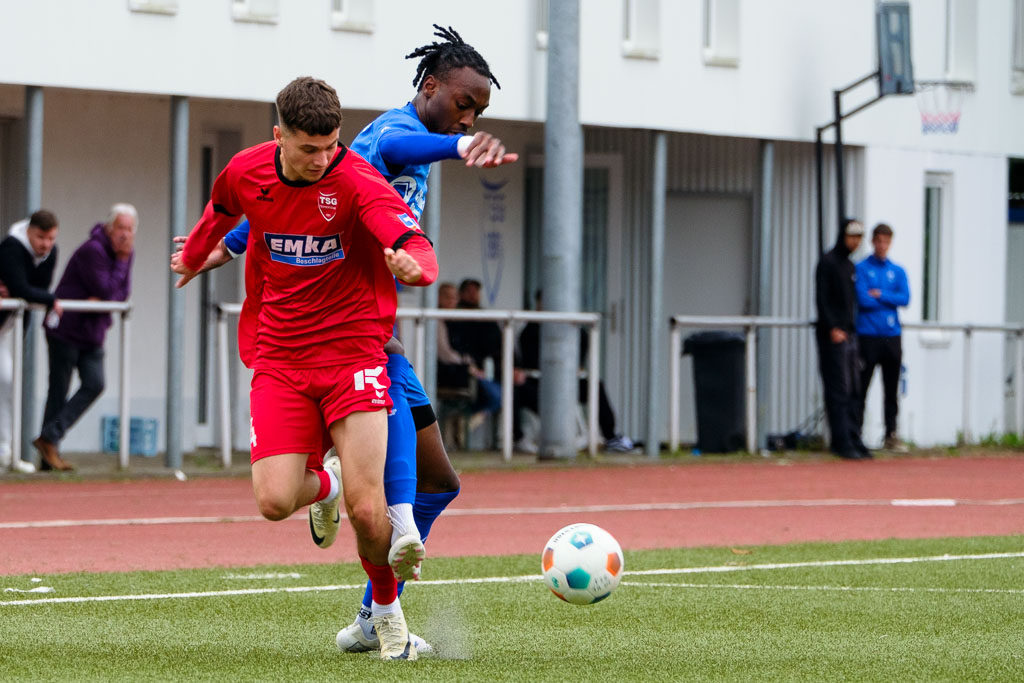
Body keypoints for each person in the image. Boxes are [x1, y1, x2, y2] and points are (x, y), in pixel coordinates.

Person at [173, 27, 516, 657]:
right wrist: (459, 143)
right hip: (334, 341)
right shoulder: (386, 137)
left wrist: (416, 258)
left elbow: (305, 210)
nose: (470, 115)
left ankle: (373, 603)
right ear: (430, 86)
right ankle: (392, 533)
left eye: (479, 113)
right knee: (357, 494)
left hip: (363, 333)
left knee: (439, 480)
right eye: (465, 104)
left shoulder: (342, 170)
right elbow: (266, 202)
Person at [33, 205, 134, 472]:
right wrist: (118, 270)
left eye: (130, 229)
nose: (125, 235)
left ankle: (49, 437)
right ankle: (47, 457)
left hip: (92, 333)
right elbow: (107, 290)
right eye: (121, 228)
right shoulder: (93, 250)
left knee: (95, 382)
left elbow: (120, 296)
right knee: (58, 390)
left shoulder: (125, 254)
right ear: (110, 228)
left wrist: (121, 265)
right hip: (66, 328)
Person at [513, 290, 634, 453]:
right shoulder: (530, 330)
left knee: (595, 386)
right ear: (538, 304)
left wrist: (575, 366)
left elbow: (581, 351)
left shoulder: (573, 328)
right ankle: (518, 438)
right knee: (513, 389)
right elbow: (529, 361)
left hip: (567, 383)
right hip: (538, 383)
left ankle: (611, 437)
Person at [0, 210, 61, 473]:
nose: (45, 244)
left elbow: (37, 289)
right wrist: (44, 298)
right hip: (5, 325)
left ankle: (5, 452)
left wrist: (29, 291)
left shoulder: (50, 253)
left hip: (8, 329)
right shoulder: (12, 247)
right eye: (40, 237)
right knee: (6, 381)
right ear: (29, 231)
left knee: (8, 383)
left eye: (50, 238)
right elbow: (25, 289)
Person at [814, 218, 870, 460]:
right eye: (852, 236)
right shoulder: (828, 262)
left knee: (853, 390)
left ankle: (853, 436)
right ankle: (841, 441)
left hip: (850, 336)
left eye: (859, 237)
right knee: (838, 390)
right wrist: (832, 328)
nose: (855, 242)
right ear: (842, 236)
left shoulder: (850, 266)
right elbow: (822, 299)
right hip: (833, 337)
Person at [855, 223, 910, 452]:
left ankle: (891, 434)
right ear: (872, 241)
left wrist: (881, 294)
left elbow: (905, 298)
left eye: (886, 242)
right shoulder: (861, 269)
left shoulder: (897, 271)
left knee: (891, 389)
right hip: (868, 336)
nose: (882, 246)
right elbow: (863, 300)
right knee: (861, 387)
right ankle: (855, 432)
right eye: (879, 241)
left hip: (892, 336)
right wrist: (888, 299)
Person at [437, 280, 501, 434]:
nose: (452, 301)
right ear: (438, 298)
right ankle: (464, 427)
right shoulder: (436, 320)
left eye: (454, 297)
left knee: (499, 394)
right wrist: (468, 365)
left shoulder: (460, 319)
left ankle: (465, 426)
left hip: (466, 370)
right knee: (495, 395)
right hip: (449, 373)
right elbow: (445, 354)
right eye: (448, 297)